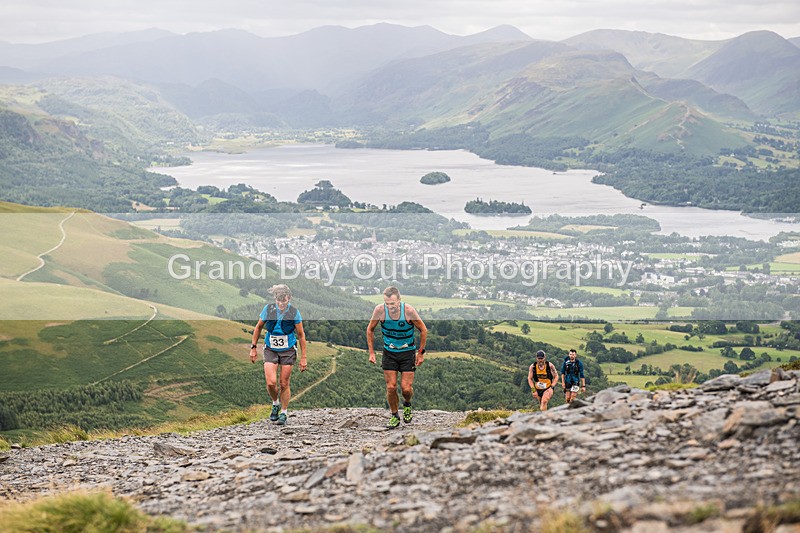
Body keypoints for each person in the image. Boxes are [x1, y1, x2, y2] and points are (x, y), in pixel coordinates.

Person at [367, 286, 427, 429]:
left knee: (406, 389)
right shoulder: (380, 310)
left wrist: (420, 353)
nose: (390, 307)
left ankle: (407, 404)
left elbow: (423, 330)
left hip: (407, 352)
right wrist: (371, 352)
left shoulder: (409, 311)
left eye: (392, 304)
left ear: (399, 300)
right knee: (391, 387)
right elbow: (370, 329)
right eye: (387, 304)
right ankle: (394, 416)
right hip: (389, 352)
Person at [249, 284, 307, 426]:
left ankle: (284, 412)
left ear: (289, 298)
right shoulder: (268, 309)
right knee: (271, 382)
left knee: (284, 383)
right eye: (279, 300)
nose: (281, 304)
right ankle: (275, 403)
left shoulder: (294, 312)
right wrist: (253, 347)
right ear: (275, 299)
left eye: (284, 301)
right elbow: (258, 327)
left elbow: (301, 335)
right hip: (270, 348)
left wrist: (304, 357)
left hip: (288, 350)